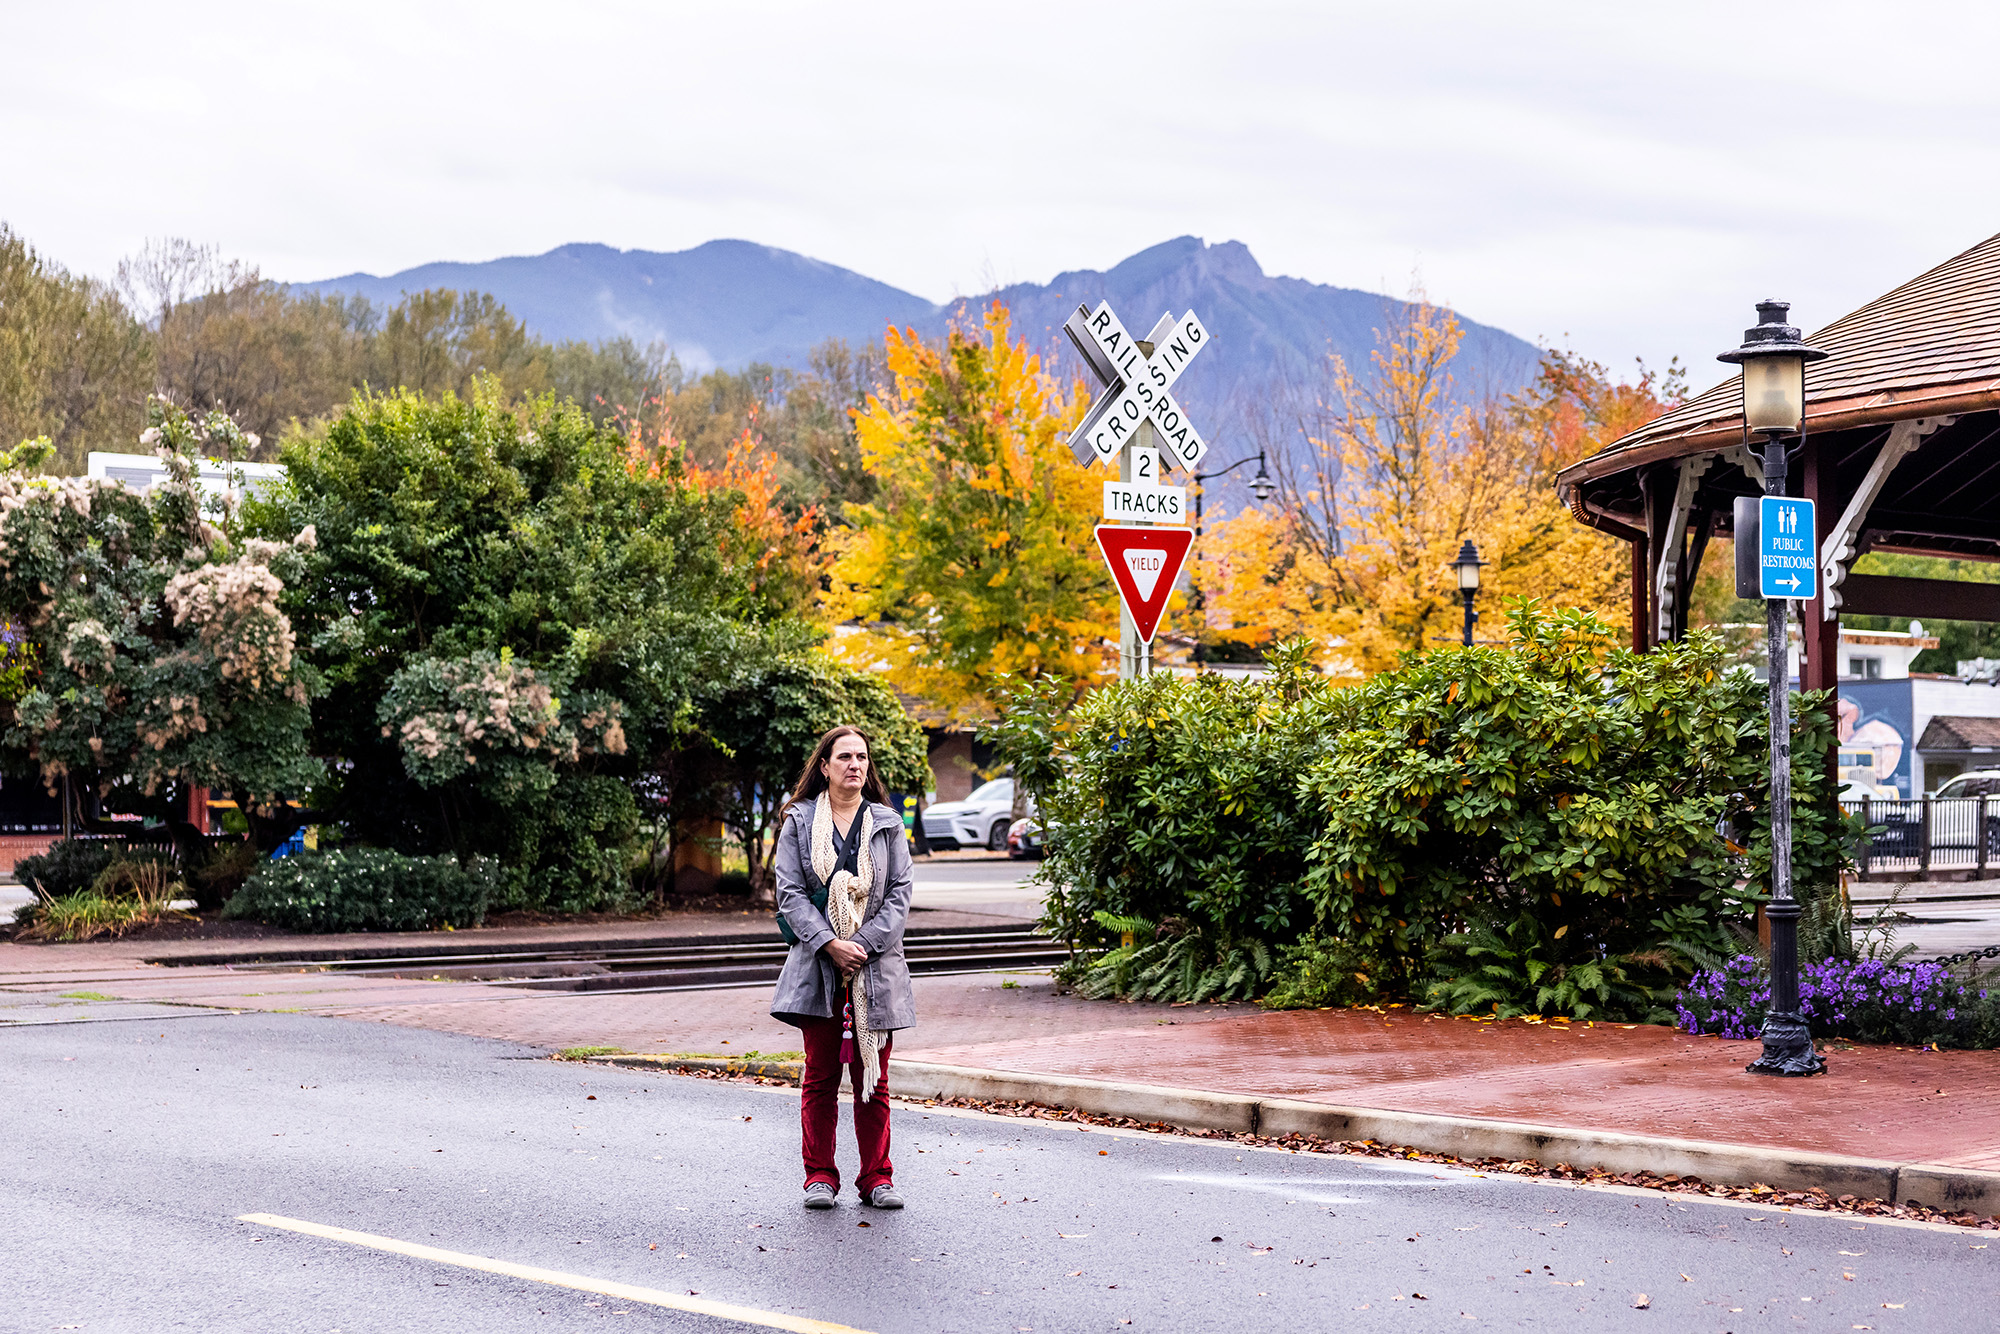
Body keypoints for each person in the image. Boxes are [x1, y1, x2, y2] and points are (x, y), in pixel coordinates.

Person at [769, 724, 915, 1210]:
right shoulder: (799, 821)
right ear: (826, 766)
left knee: (874, 1079)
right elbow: (789, 893)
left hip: (875, 971)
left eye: (862, 757)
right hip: (819, 968)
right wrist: (830, 943)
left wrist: (864, 945)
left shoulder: (888, 824)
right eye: (845, 757)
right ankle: (819, 1176)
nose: (855, 765)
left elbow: (899, 894)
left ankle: (877, 1177)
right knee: (820, 1077)